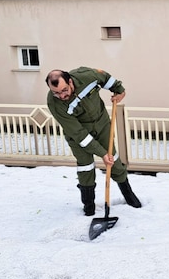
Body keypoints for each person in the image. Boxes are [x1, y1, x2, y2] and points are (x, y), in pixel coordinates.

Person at [45, 67, 142, 216]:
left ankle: (129, 195)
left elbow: (107, 80)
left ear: (70, 81)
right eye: (56, 93)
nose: (62, 95)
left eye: (64, 90)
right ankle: (88, 206)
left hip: (101, 124)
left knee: (113, 159)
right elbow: (78, 133)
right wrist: (101, 153)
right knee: (85, 167)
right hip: (78, 135)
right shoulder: (54, 103)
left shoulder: (87, 76)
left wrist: (120, 90)